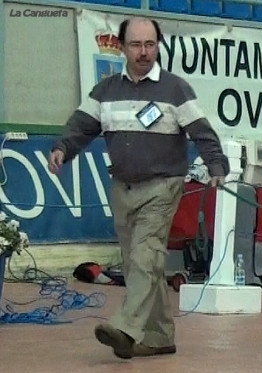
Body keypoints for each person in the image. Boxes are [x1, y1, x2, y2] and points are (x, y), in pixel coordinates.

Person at [47, 17, 230, 359]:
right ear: (122, 47)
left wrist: (217, 166)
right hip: (123, 187)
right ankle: (160, 336)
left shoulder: (175, 89)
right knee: (138, 267)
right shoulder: (105, 92)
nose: (144, 53)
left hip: (163, 186)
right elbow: (81, 126)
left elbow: (203, 133)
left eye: (150, 45)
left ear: (158, 46)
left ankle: (125, 329)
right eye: (136, 45)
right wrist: (62, 149)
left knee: (146, 258)